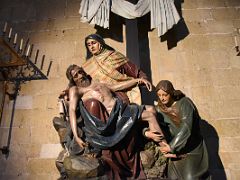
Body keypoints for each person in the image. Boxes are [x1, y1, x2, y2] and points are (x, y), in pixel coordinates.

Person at [66, 64, 166, 179]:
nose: (80, 76)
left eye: (80, 72)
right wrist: (76, 135)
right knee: (149, 115)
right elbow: (72, 110)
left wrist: (138, 80)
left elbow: (117, 87)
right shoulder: (76, 90)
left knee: (152, 109)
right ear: (73, 80)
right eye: (75, 76)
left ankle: (161, 145)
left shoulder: (97, 82)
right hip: (114, 119)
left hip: (121, 109)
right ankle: (165, 147)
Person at [155, 80, 209, 180]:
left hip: (191, 149)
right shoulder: (159, 109)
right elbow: (149, 122)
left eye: (165, 95)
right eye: (159, 95)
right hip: (175, 152)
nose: (162, 98)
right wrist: (146, 132)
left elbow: (187, 126)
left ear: (171, 92)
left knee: (191, 178)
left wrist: (172, 147)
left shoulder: (185, 103)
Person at [82, 33, 148, 104]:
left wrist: (142, 78)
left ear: (100, 43)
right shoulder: (87, 65)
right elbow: (79, 81)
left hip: (117, 93)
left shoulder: (115, 56)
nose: (91, 47)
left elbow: (134, 71)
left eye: (94, 43)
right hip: (97, 95)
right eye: (89, 45)